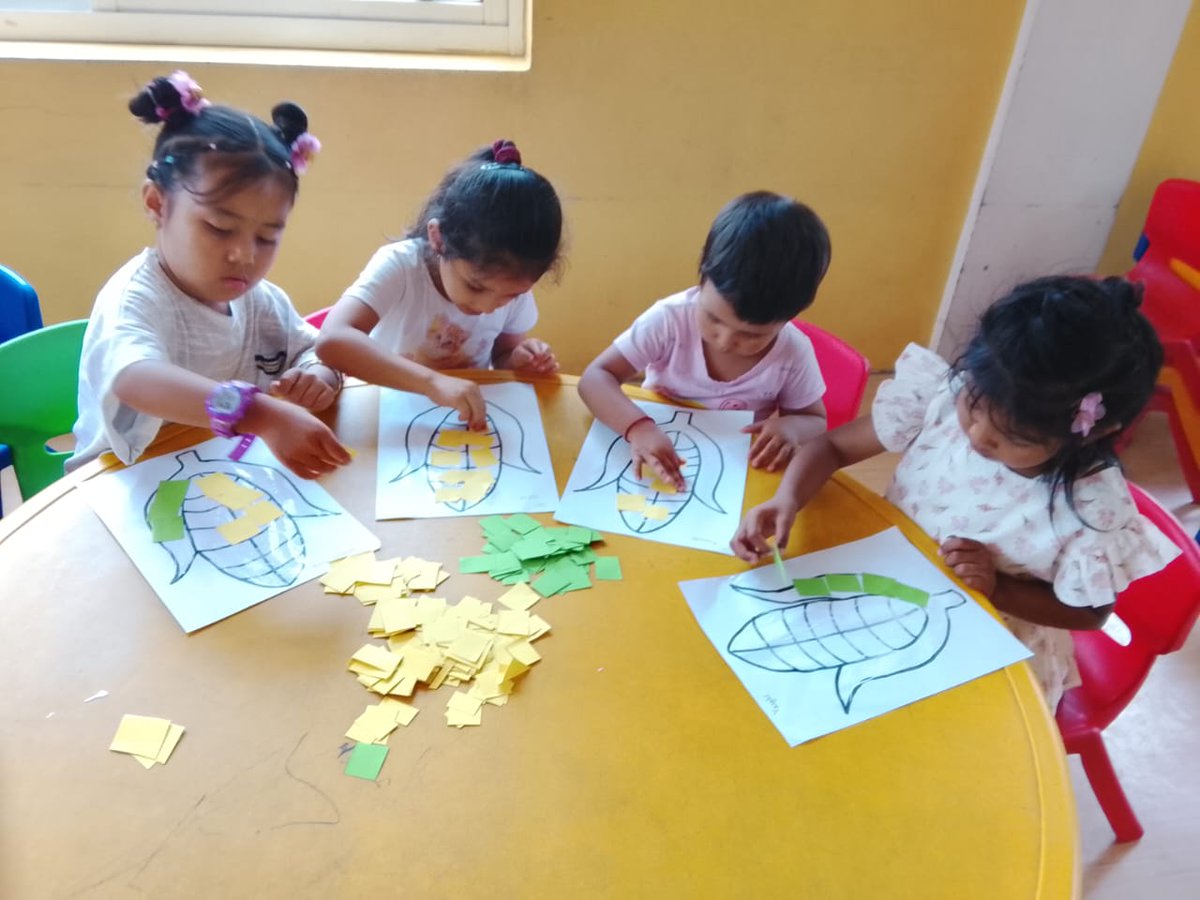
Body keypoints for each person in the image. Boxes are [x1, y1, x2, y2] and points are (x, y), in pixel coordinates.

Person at [732, 275, 1181, 708]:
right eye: (975, 405)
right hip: (886, 594)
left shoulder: (1090, 513)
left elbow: (1091, 614)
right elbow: (830, 445)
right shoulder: (944, 398)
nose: (978, 435)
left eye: (1014, 437)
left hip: (985, 643)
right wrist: (786, 498)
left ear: (1089, 431)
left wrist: (996, 587)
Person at [69, 71, 350, 480]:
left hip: (223, 473)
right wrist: (261, 413)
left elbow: (316, 351)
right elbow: (136, 379)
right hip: (118, 485)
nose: (244, 255)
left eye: (268, 237)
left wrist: (317, 377)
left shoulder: (261, 301)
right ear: (157, 204)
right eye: (219, 228)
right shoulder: (135, 298)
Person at [578, 191, 831, 490]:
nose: (725, 341)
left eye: (752, 335)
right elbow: (594, 379)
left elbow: (814, 420)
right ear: (703, 274)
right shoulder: (669, 320)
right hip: (655, 448)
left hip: (735, 473)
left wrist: (792, 427)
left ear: (789, 318)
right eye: (713, 318)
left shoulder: (793, 352)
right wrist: (638, 427)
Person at [316, 140, 563, 431]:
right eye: (475, 286)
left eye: (511, 295)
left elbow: (503, 353)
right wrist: (432, 382)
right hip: (385, 412)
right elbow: (333, 340)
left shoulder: (512, 279)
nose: (487, 307)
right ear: (438, 239)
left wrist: (519, 360)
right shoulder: (402, 266)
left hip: (460, 420)